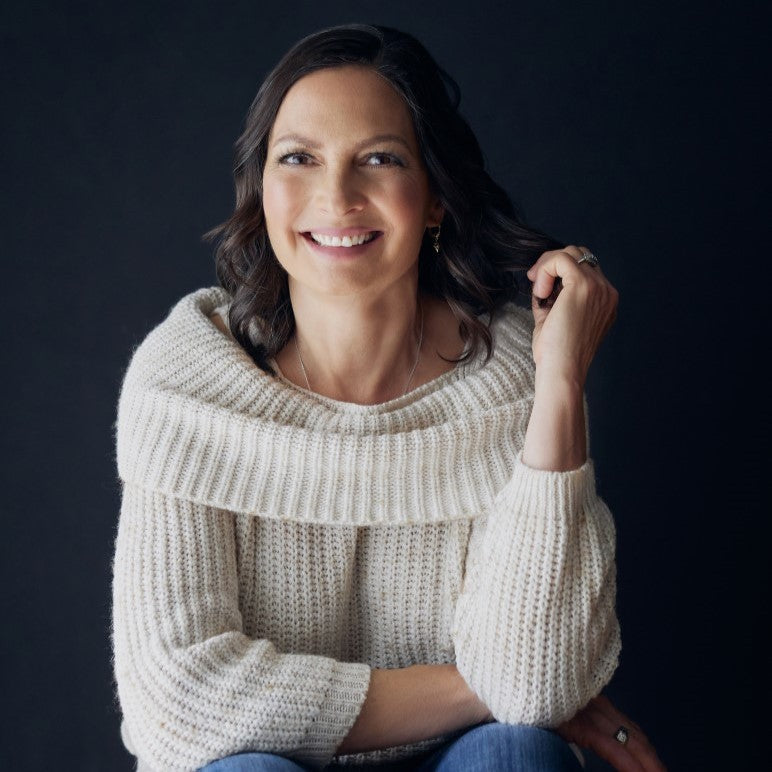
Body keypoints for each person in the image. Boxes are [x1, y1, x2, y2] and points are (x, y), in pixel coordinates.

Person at [111, 22, 666, 772]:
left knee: (513, 751)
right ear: (262, 188)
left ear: (434, 199)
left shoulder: (510, 379)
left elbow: (534, 687)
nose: (335, 196)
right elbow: (175, 702)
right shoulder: (190, 385)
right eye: (298, 158)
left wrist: (559, 382)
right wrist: (483, 686)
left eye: (379, 158)